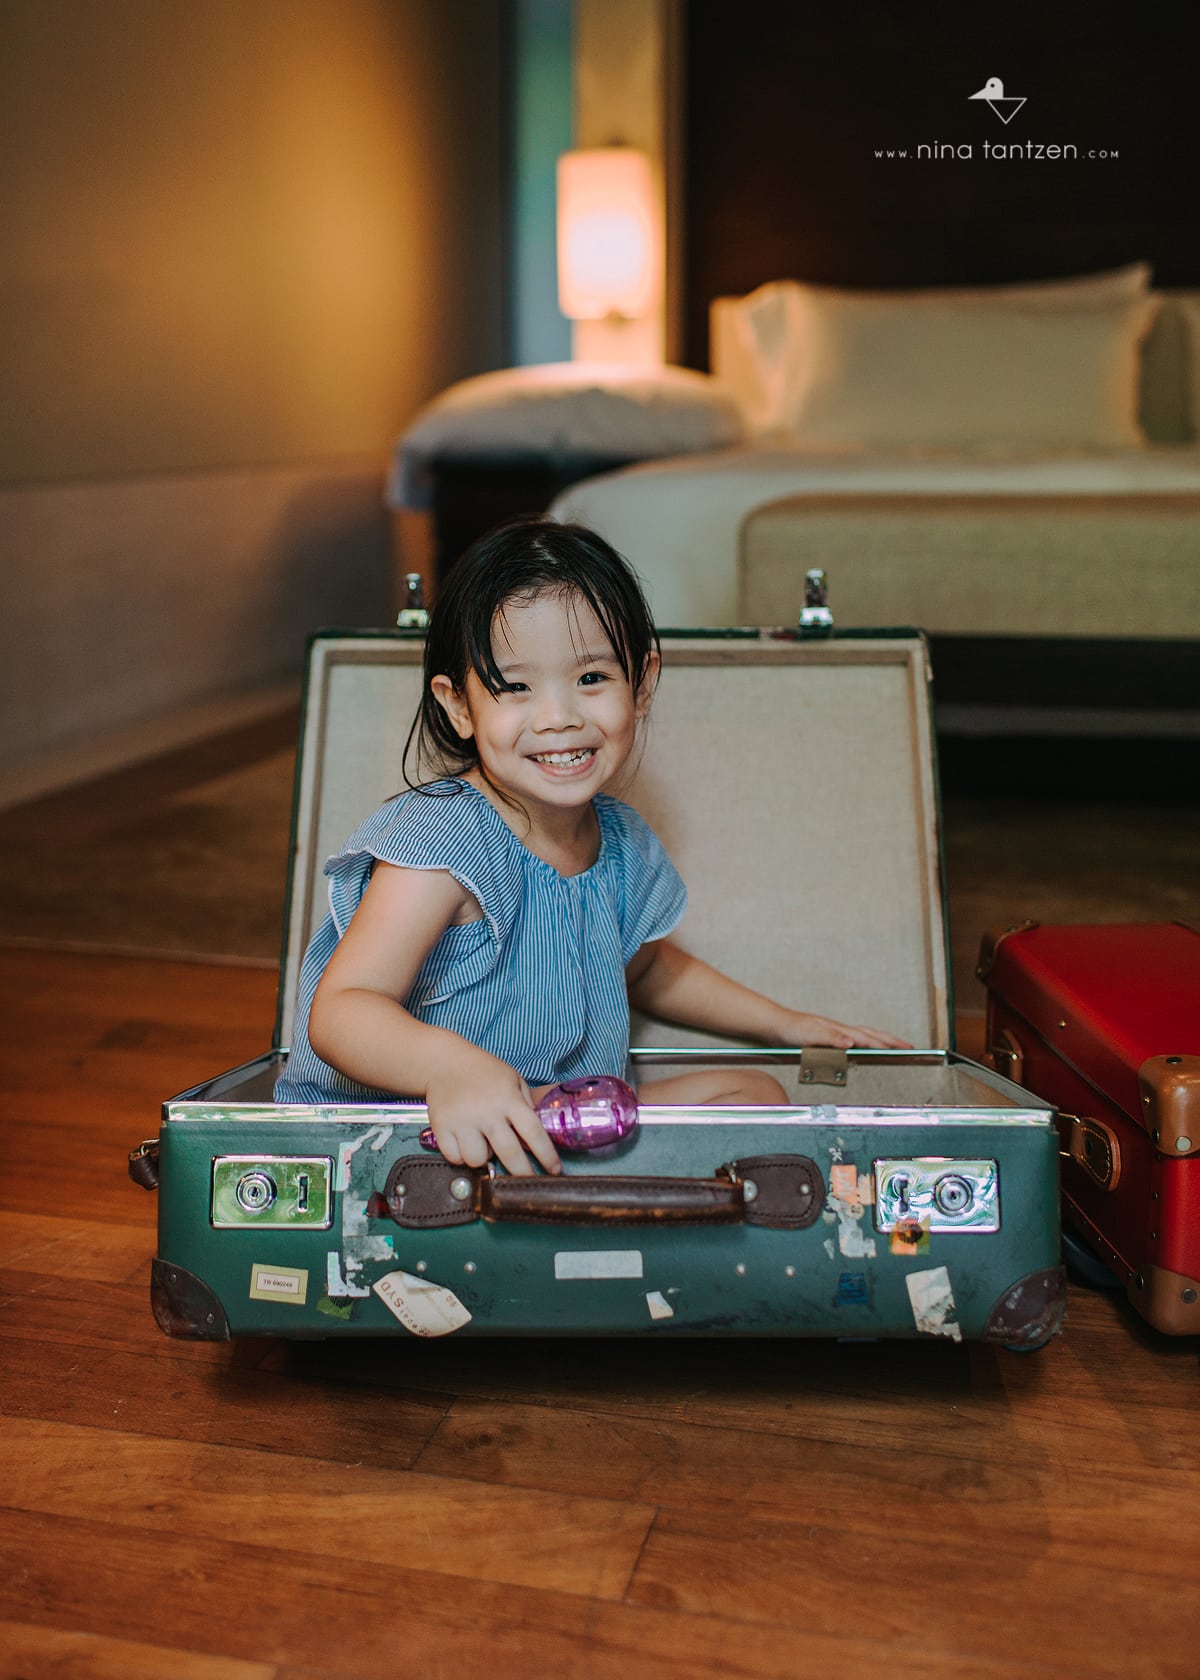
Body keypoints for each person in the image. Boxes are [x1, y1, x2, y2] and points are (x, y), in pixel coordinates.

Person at [276, 518, 908, 1174]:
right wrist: (455, 1072)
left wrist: (786, 1024)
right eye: (514, 686)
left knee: (754, 1097)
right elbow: (346, 1010)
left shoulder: (622, 843)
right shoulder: (439, 842)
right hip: (410, 1119)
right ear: (459, 707)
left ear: (642, 685)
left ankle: (592, 1193)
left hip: (550, 1109)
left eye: (591, 679)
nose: (559, 716)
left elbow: (646, 968)